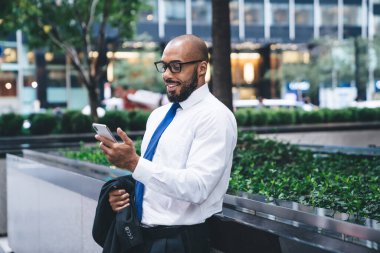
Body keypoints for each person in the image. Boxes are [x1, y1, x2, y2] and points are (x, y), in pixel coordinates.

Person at [95, 34, 237, 253]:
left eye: (176, 66)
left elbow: (198, 188)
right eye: (164, 66)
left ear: (201, 68)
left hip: (179, 241)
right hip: (140, 237)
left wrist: (134, 163)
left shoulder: (215, 116)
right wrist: (124, 197)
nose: (168, 75)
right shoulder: (158, 115)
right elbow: (154, 181)